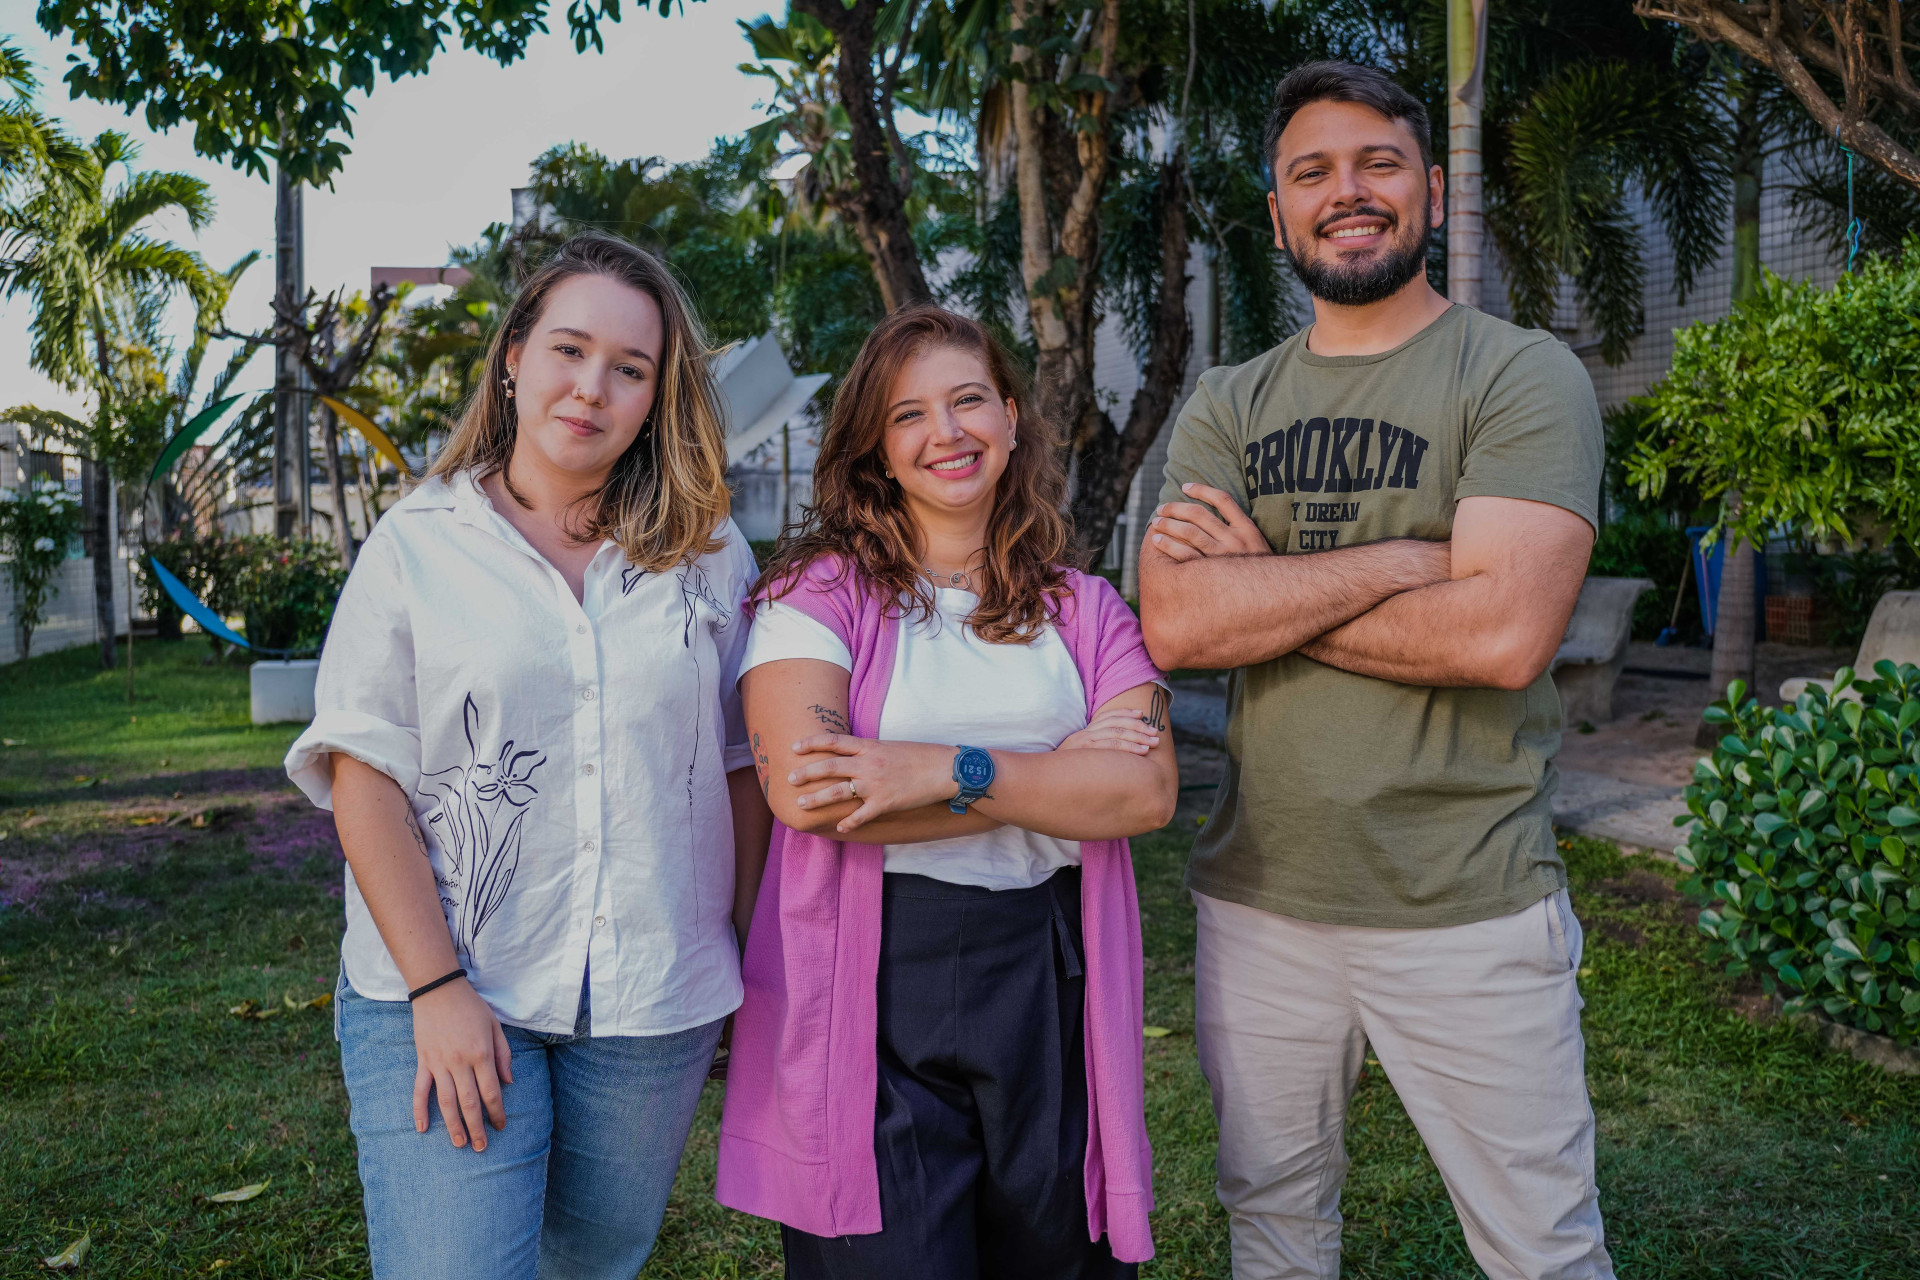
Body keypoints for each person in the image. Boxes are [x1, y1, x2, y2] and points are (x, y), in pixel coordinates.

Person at [1137, 62, 1611, 1280]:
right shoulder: (1227, 403)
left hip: (1468, 902)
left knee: (1541, 1251)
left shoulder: (1516, 373)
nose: (1346, 192)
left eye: (1377, 163)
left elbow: (1501, 636)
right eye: (1312, 173)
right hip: (1259, 901)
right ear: (1283, 210)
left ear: (1433, 190)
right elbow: (1180, 624)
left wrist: (1274, 583)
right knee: (1275, 1229)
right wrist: (1414, 558)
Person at [285, 232, 772, 1279]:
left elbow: (741, 765)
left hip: (654, 997)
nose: (591, 386)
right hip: (455, 983)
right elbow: (363, 777)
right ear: (512, 356)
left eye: (629, 368)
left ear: (655, 393)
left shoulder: (712, 553)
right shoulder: (418, 543)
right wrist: (437, 987)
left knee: (591, 1265)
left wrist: (744, 961)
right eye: (568, 348)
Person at [714, 305, 1176, 1278]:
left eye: (969, 400)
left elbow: (1144, 790)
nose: (948, 432)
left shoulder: (1084, 608)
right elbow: (814, 792)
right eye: (909, 414)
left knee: (1054, 1253)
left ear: (1011, 417)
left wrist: (944, 768)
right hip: (871, 973)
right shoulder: (820, 592)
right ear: (878, 450)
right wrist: (1055, 775)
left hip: (1049, 969)